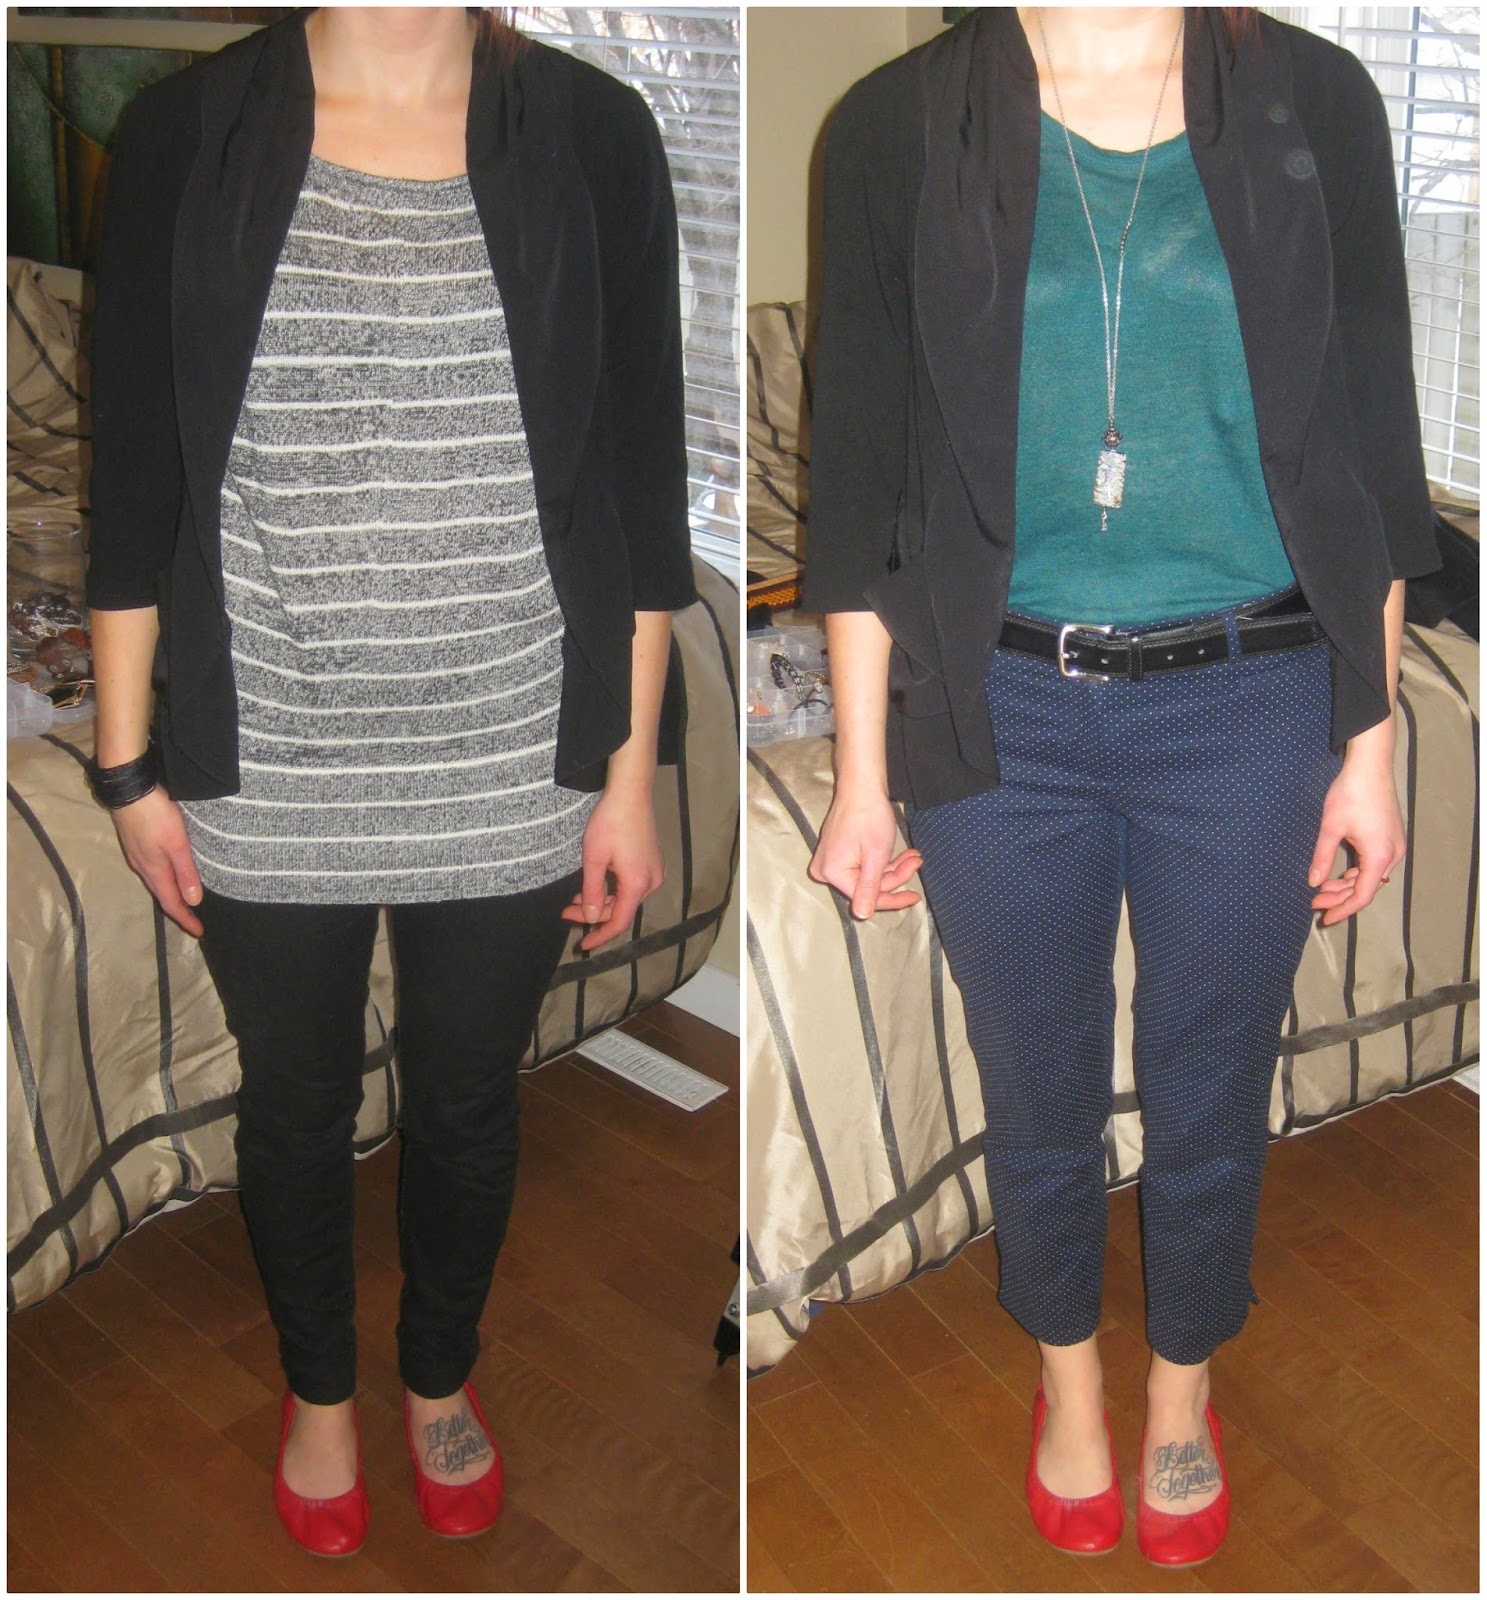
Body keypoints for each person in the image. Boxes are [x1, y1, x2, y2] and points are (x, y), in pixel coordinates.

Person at [802, 4, 1437, 1569]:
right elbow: (861, 484)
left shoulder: (1315, 99)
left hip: (1253, 694)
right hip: (996, 704)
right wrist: (863, 778)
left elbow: (1373, 451)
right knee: (1037, 1084)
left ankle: (1180, 1396)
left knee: (1213, 1087)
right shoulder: (894, 125)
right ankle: (1069, 1383)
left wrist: (1371, 744)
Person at [86, 5, 694, 1557]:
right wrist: (130, 767)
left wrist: (627, 779)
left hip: (513, 743)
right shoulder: (180, 134)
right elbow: (134, 480)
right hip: (269, 747)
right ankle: (317, 1393)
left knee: (470, 1099)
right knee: (295, 1107)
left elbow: (640, 485)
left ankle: (435, 1373)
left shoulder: (593, 134)